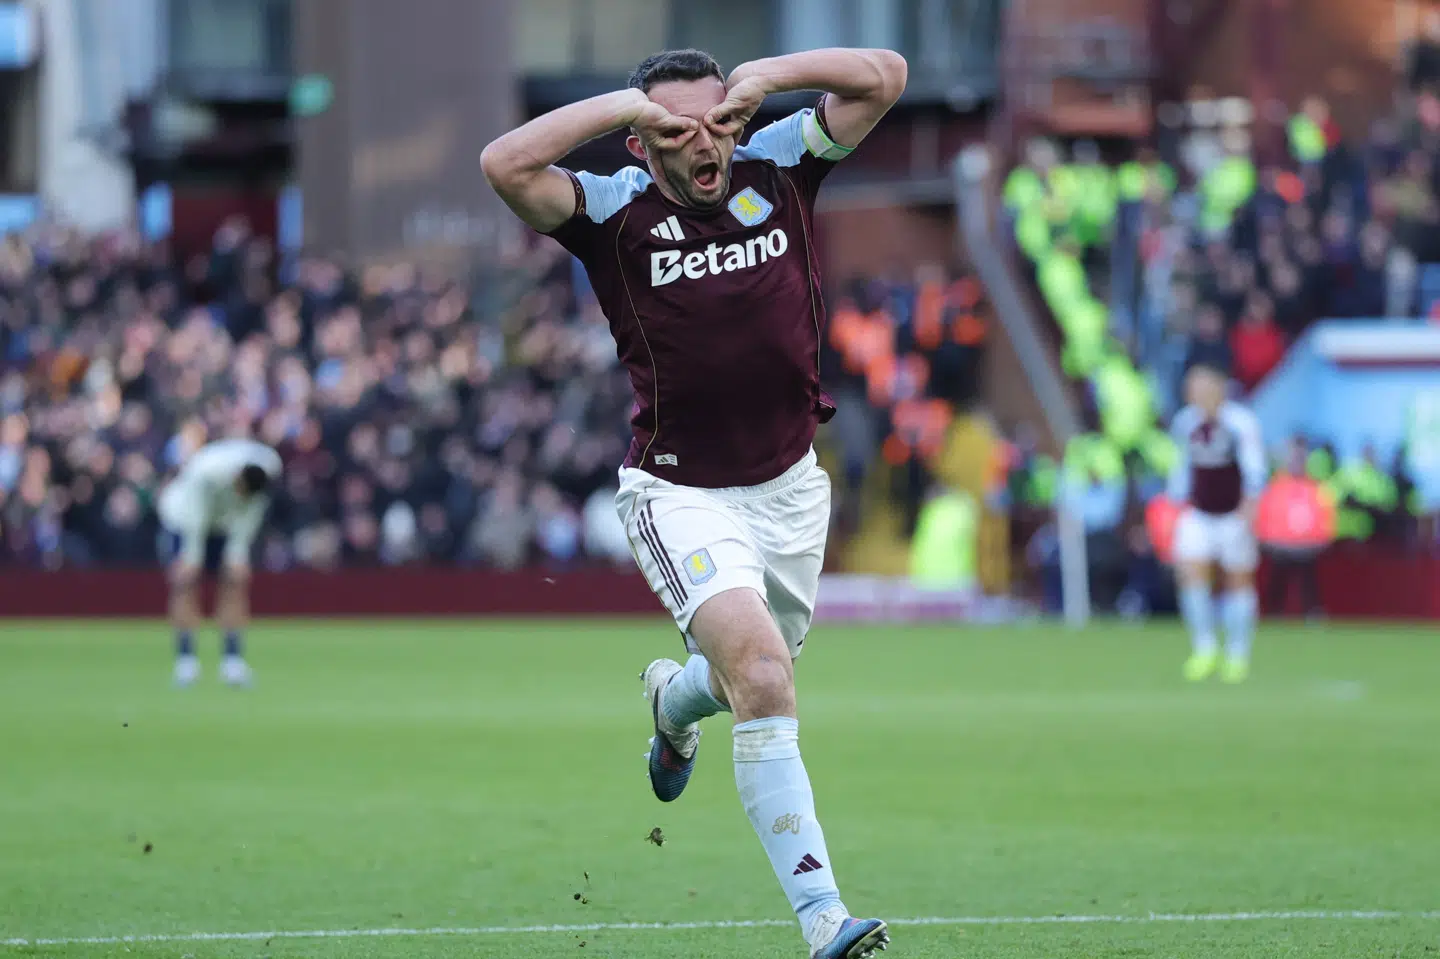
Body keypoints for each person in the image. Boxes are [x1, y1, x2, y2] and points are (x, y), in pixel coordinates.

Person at [482, 45, 906, 959]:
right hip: (678, 491)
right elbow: (503, 164)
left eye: (720, 120)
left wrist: (766, 78)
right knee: (762, 674)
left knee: (750, 673)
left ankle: (674, 705)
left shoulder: (782, 159)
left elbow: (886, 74)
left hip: (792, 487)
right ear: (643, 145)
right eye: (678, 130)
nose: (706, 141)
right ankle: (823, 917)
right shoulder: (609, 209)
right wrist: (621, 107)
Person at [1168, 364, 1267, 683]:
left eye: (1200, 387)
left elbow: (1255, 473)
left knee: (1238, 581)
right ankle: (1204, 648)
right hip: (1199, 514)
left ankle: (1237, 654)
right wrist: (1174, 504)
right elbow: (1181, 468)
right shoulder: (1185, 423)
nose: (1195, 395)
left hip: (1233, 516)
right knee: (1191, 575)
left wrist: (1247, 515)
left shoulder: (1241, 423)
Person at [157, 438, 281, 687]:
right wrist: (191, 557)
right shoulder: (206, 471)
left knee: (235, 581)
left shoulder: (269, 469)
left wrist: (238, 555)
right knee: (185, 583)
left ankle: (232, 662)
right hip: (183, 519)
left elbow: (251, 512)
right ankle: (186, 663)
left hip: (225, 525)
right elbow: (195, 514)